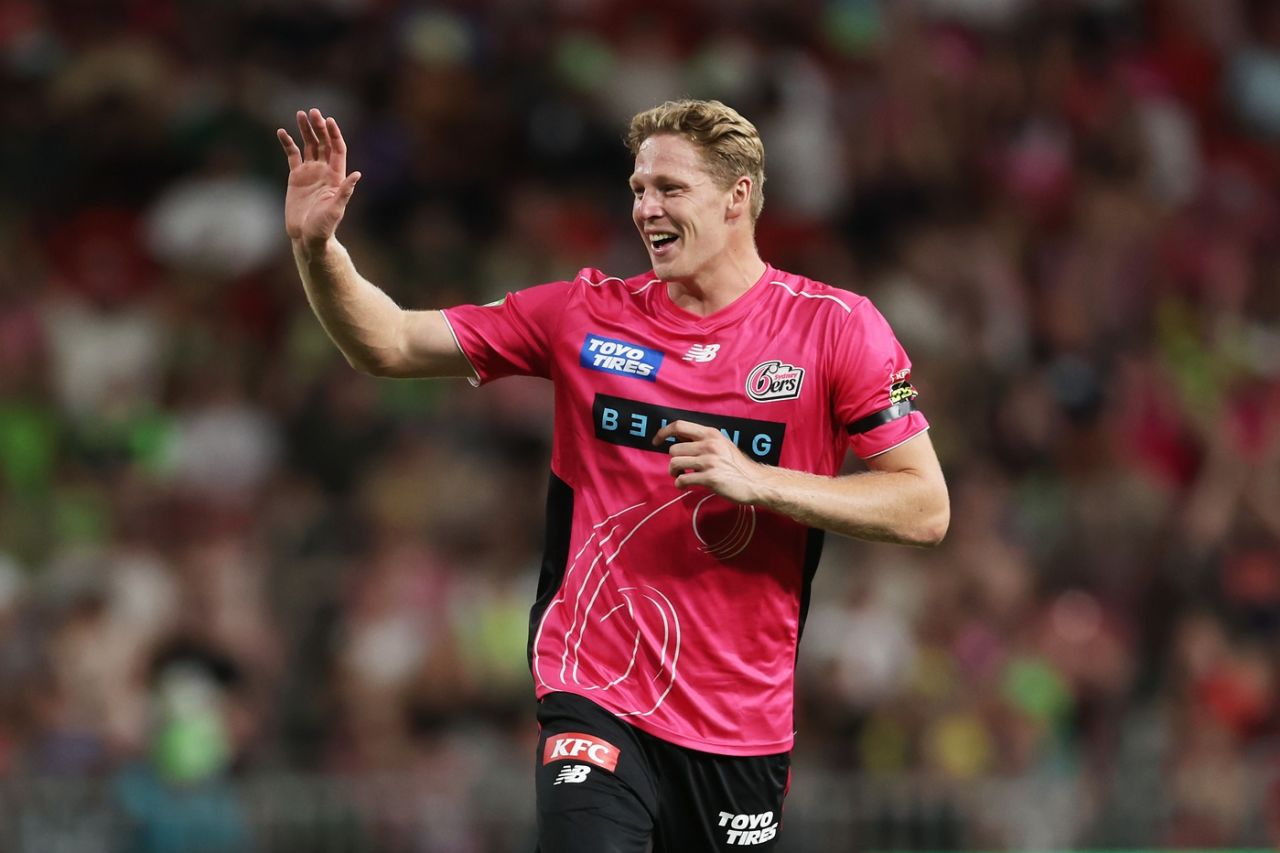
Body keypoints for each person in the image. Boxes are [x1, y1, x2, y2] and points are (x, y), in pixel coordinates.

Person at [277, 99, 949, 852]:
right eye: (637, 188)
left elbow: (923, 505)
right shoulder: (584, 314)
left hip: (738, 722)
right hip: (593, 687)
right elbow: (389, 341)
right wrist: (317, 250)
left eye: (670, 188)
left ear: (737, 196)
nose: (645, 208)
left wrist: (758, 479)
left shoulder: (836, 328)